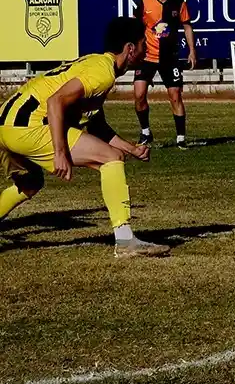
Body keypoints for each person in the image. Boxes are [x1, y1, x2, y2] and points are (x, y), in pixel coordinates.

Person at [0, 17, 170, 258]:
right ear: (130, 49)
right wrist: (60, 153)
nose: (146, 48)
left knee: (29, 184)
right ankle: (125, 241)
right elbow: (55, 101)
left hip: (5, 126)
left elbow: (97, 125)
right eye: (143, 43)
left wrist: (132, 148)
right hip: (28, 126)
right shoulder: (102, 72)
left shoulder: (95, 65)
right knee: (111, 158)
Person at [133, 0, 197, 148]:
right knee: (139, 95)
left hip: (170, 57)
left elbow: (187, 27)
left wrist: (192, 50)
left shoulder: (179, 2)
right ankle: (145, 132)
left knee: (175, 96)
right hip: (146, 56)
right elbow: (134, 25)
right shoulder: (144, 1)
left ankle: (181, 138)